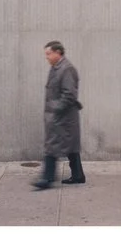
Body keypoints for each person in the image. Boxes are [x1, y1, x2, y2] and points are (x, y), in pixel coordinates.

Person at [32, 40, 85, 189]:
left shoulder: (66, 69)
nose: (46, 57)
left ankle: (47, 179)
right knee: (70, 147)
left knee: (52, 147)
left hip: (63, 118)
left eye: (48, 54)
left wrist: (54, 109)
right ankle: (78, 175)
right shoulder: (56, 68)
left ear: (58, 52)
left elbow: (69, 95)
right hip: (62, 117)